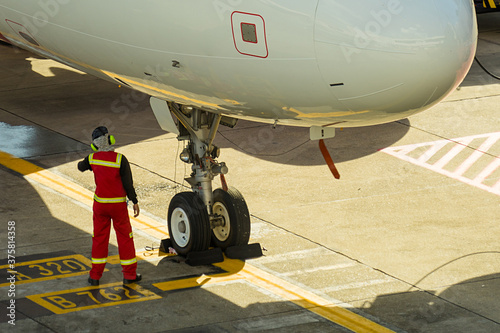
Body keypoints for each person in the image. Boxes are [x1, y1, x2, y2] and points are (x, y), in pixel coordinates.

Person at [78, 126, 142, 286]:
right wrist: (134, 201)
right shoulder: (120, 159)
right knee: (125, 238)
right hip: (118, 206)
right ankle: (129, 275)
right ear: (110, 140)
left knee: (99, 239)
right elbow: (128, 183)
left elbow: (80, 166)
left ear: (94, 145)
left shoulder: (92, 158)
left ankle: (95, 276)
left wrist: (89, 159)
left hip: (100, 206)